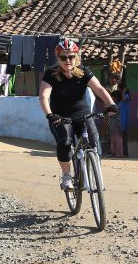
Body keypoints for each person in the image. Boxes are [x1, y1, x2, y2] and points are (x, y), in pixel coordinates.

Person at [38, 39, 117, 191]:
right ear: (58, 57)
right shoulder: (51, 74)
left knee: (93, 141)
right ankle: (67, 175)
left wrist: (111, 104)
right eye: (63, 57)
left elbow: (99, 89)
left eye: (71, 57)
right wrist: (49, 114)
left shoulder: (83, 71)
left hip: (82, 114)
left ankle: (94, 171)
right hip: (59, 116)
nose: (68, 60)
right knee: (65, 142)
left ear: (76, 57)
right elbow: (43, 96)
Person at [108, 76, 131, 158]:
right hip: (116, 122)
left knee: (122, 138)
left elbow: (124, 97)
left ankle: (123, 153)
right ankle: (115, 152)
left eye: (118, 88)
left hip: (122, 121)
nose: (117, 89)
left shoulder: (125, 97)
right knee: (115, 137)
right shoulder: (116, 103)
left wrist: (124, 91)